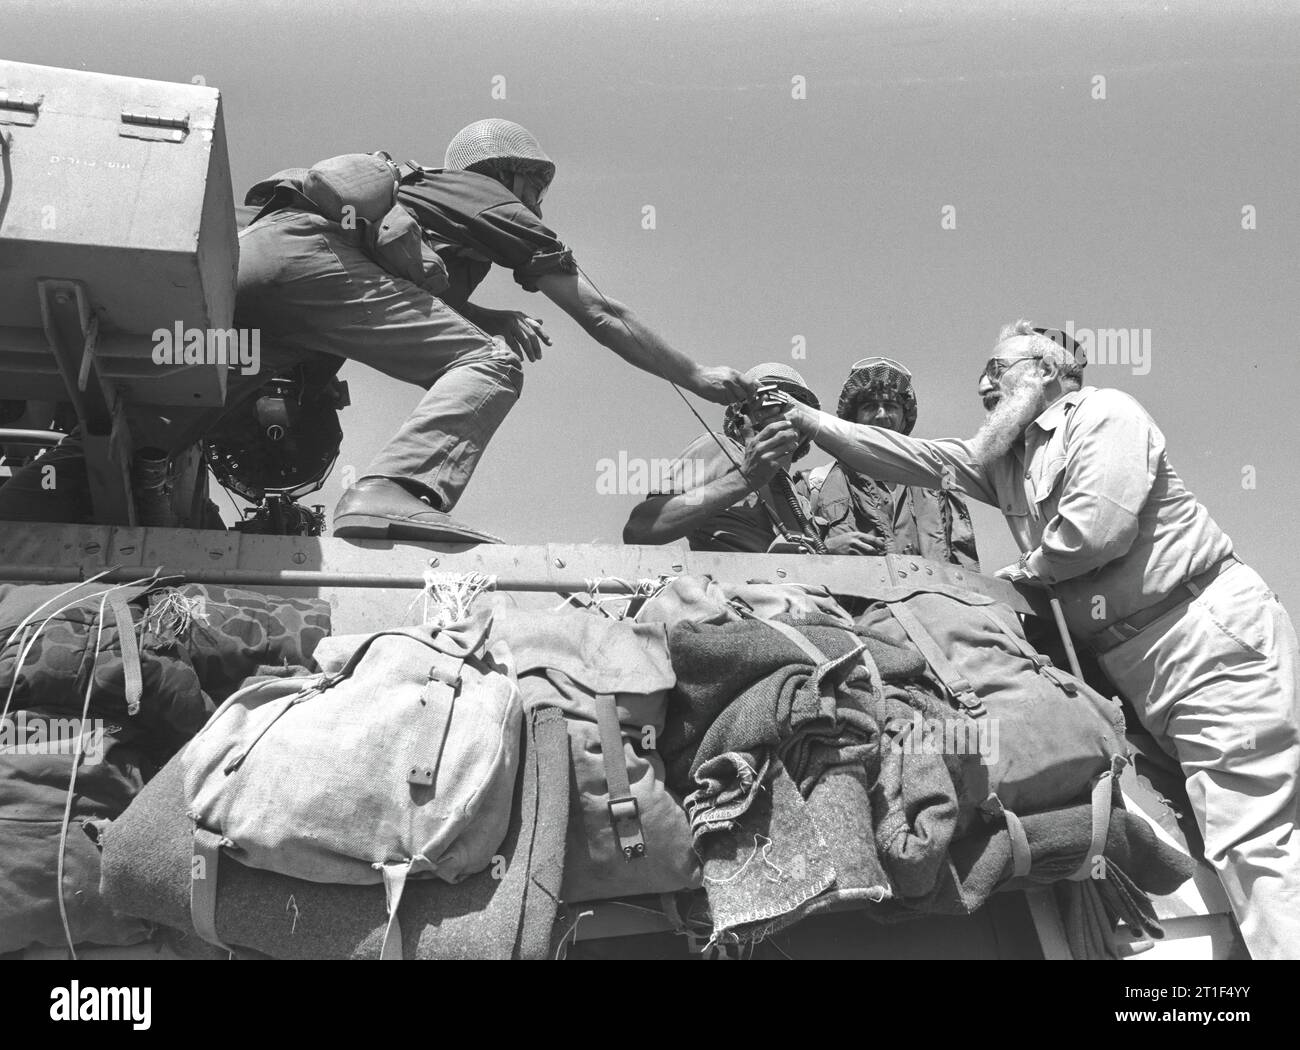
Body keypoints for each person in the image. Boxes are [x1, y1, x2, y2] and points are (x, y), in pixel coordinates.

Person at [777, 318, 1300, 959]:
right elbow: (914, 458)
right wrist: (807, 422)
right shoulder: (1006, 464)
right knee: (1192, 821)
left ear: (1046, 373)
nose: (982, 385)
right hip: (1125, 662)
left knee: (1250, 831)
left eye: (996, 373)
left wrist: (1017, 576)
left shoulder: (1105, 414)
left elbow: (1092, 534)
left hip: (1199, 635)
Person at [233, 120, 752, 541]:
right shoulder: (486, 197)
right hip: (314, 263)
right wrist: (697, 374)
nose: (539, 202)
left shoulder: (424, 202)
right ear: (506, 171)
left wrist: (491, 316)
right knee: (490, 364)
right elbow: (602, 313)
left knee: (197, 398)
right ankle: (389, 493)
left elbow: (418, 298)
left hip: (247, 271)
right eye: (535, 184)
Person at [622, 363, 825, 553]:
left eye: (793, 408)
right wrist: (745, 477)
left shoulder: (801, 502)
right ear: (740, 419)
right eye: (768, 404)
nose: (781, 415)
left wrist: (829, 551)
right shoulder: (719, 450)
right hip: (729, 585)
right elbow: (640, 530)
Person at [809, 357, 979, 568]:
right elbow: (790, 561)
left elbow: (966, 563)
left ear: (904, 417)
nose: (881, 415)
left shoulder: (942, 479)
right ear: (853, 418)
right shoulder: (816, 483)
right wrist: (825, 549)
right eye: (870, 406)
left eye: (890, 406)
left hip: (934, 597)